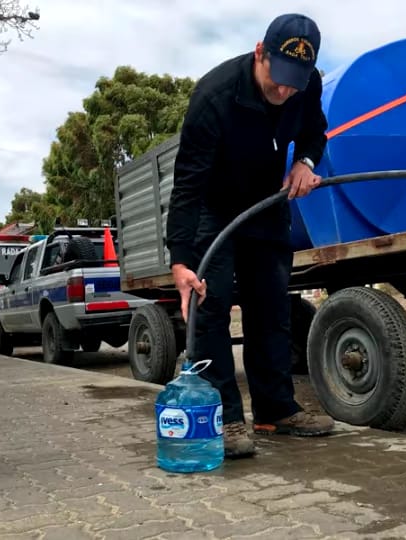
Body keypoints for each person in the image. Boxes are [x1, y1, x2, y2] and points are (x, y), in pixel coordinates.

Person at [166, 13, 335, 458]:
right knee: (212, 305)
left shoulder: (306, 84)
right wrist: (181, 260)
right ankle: (224, 419)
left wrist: (306, 163)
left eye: (294, 84)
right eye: (278, 79)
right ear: (260, 53)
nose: (284, 93)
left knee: (271, 307)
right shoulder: (214, 96)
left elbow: (315, 132)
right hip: (213, 208)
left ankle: (275, 410)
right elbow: (187, 186)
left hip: (265, 204)